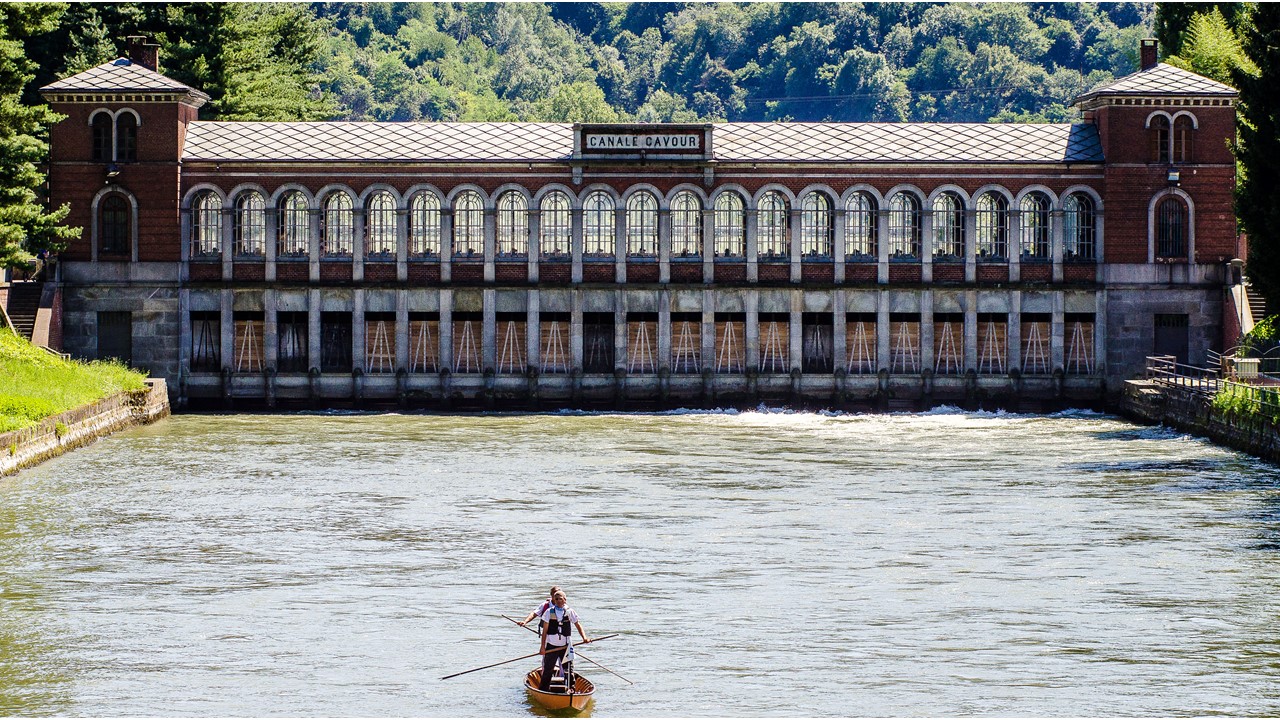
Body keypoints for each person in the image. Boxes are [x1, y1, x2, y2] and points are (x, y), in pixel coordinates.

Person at [538, 590, 590, 692]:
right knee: (548, 669)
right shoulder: (549, 612)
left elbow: (578, 625)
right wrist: (542, 647)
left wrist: (584, 638)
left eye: (560, 599)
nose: (558, 601)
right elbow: (544, 632)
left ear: (565, 600)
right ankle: (543, 690)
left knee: (568, 670)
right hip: (552, 646)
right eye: (556, 599)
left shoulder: (570, 612)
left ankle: (571, 689)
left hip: (565, 646)